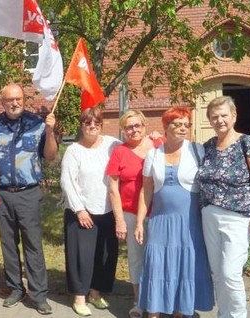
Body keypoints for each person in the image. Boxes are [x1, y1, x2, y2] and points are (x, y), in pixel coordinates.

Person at [134, 106, 214, 317]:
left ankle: (180, 312)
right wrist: (140, 221)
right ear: (165, 127)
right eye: (177, 124)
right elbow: (147, 190)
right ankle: (153, 312)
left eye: (186, 125)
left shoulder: (198, 151)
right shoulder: (153, 154)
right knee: (156, 266)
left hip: (190, 224)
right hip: (160, 222)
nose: (182, 128)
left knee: (184, 267)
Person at [0, 83, 56, 314]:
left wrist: (51, 131)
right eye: (9, 100)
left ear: (24, 100)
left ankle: (38, 294)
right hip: (3, 193)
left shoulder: (37, 124)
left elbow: (50, 156)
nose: (14, 103)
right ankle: (15, 288)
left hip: (28, 192)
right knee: (8, 244)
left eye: (18, 99)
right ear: (2, 102)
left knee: (33, 245)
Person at [197, 96, 250, 318]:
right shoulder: (208, 146)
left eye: (223, 115)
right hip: (209, 215)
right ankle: (224, 314)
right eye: (214, 116)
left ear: (234, 115)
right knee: (217, 273)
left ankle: (237, 315)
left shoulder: (245, 142)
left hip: (237, 218)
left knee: (230, 273)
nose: (219, 120)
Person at [61, 107, 121, 316]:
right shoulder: (74, 151)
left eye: (96, 123)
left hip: (107, 211)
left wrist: (156, 140)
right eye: (88, 123)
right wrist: (79, 210)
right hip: (81, 213)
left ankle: (95, 294)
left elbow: (134, 150)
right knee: (81, 257)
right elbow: (67, 182)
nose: (92, 126)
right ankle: (79, 296)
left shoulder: (113, 145)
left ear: (101, 125)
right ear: (82, 125)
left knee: (104, 255)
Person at [105, 110, 159, 318]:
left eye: (137, 125)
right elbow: (113, 188)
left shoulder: (159, 145)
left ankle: (157, 300)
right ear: (123, 130)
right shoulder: (120, 151)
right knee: (136, 258)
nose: (134, 130)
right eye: (129, 127)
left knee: (157, 259)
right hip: (130, 213)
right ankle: (138, 301)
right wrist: (119, 220)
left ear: (145, 125)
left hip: (158, 214)